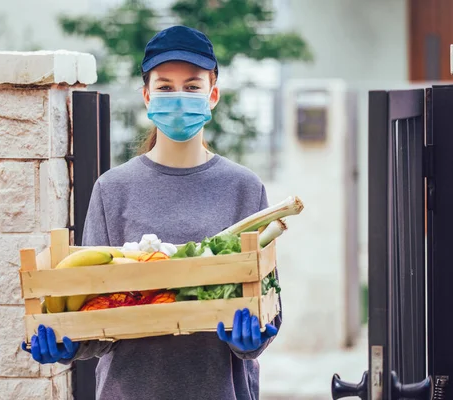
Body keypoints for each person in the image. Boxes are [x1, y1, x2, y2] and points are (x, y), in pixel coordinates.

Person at [23, 25, 282, 400]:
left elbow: (271, 307)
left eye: (192, 86)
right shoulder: (112, 190)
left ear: (213, 95)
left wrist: (251, 340)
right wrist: (70, 344)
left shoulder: (244, 187)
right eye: (165, 86)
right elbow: (96, 318)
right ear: (147, 96)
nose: (179, 96)